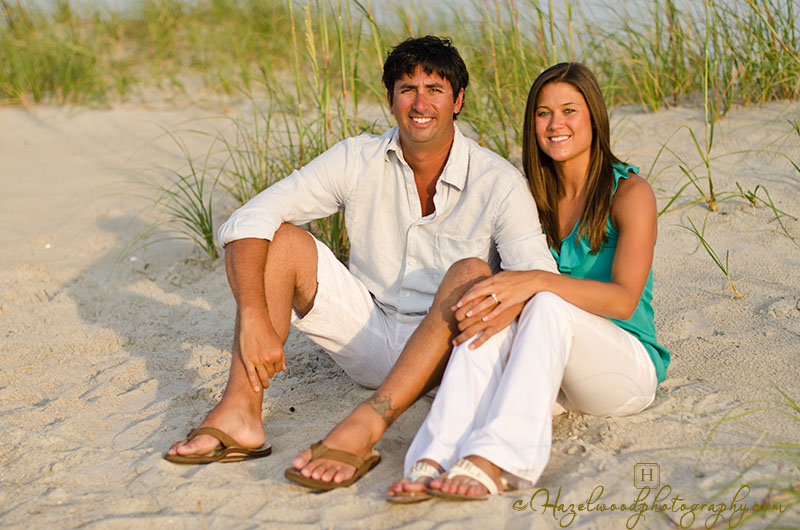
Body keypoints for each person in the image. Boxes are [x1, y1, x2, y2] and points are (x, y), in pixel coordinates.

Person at [165, 36, 557, 489]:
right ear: (389, 98)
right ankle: (240, 413)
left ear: (458, 100)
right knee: (285, 240)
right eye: (407, 88)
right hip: (369, 335)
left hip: (446, 353)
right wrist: (252, 314)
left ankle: (365, 427)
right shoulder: (357, 158)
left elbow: (539, 278)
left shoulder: (499, 182)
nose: (420, 102)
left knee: (470, 271)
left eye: (435, 88)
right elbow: (250, 217)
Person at [387, 62, 670, 502]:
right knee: (489, 306)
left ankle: (497, 458)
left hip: (624, 370)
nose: (556, 124)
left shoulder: (630, 193)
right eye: (543, 113)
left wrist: (537, 280)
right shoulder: (529, 195)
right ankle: (434, 454)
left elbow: (624, 301)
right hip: (557, 374)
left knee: (544, 301)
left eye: (569, 111)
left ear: (593, 117)